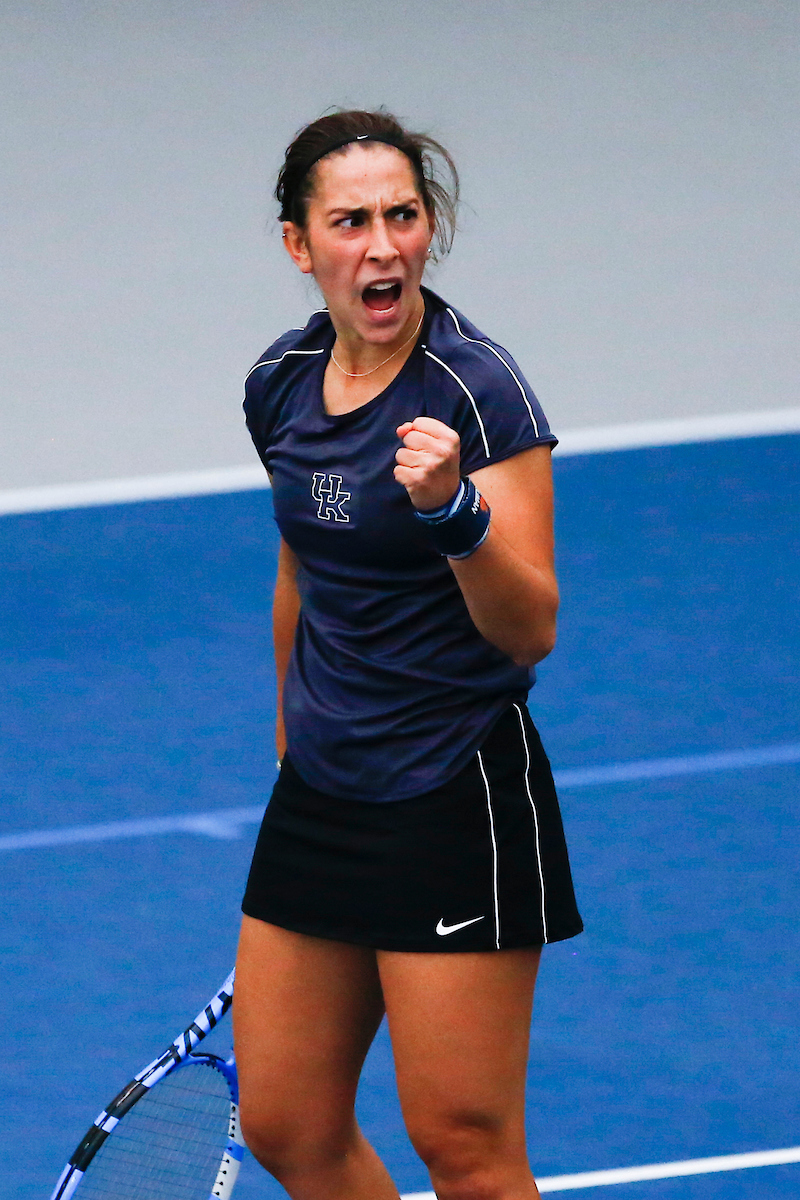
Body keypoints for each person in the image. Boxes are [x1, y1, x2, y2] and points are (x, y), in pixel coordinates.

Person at [233, 109, 583, 1200]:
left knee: (463, 1147)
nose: (381, 246)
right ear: (300, 244)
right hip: (324, 794)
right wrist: (294, 741)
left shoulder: (475, 392)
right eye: (350, 222)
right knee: (285, 1123)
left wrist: (452, 515)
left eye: (401, 216)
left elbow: (529, 627)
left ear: (427, 228)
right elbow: (304, 565)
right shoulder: (279, 383)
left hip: (451, 790)